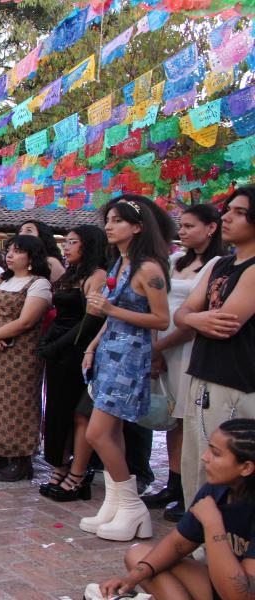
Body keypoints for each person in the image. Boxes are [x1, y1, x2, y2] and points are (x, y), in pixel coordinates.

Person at [79, 195, 171, 542]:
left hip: (131, 358)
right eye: (109, 219)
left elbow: (161, 319)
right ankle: (117, 505)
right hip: (110, 353)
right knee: (110, 432)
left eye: (118, 220)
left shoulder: (149, 268)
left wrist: (110, 311)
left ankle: (132, 507)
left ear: (137, 227)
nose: (109, 225)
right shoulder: (120, 263)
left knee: (96, 433)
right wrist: (93, 344)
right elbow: (109, 312)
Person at [99, 418, 255, 600]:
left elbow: (243, 595)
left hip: (241, 592)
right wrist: (131, 579)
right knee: (138, 555)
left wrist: (213, 525)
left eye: (216, 453)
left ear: (246, 467)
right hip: (224, 583)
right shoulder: (216, 490)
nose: (205, 457)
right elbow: (177, 545)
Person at [145, 204, 227, 521]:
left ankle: (189, 489)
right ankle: (173, 483)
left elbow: (194, 316)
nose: (184, 231)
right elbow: (158, 304)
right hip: (162, 345)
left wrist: (163, 345)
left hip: (188, 346)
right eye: (182, 225)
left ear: (211, 228)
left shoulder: (218, 266)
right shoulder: (174, 260)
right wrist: (155, 346)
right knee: (171, 418)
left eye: (191, 226)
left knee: (187, 419)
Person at [176, 187, 255, 506]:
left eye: (238, 211)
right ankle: (200, 539)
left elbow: (225, 324)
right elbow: (184, 313)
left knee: (226, 472)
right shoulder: (220, 264)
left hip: (234, 380)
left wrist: (193, 318)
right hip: (202, 373)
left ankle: (221, 543)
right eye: (228, 209)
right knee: (197, 463)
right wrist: (195, 319)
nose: (226, 217)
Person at [38, 225, 108, 502]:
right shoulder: (71, 274)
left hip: (78, 350)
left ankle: (78, 473)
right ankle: (60, 465)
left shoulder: (98, 275)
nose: (66, 247)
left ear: (89, 245)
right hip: (57, 348)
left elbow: (90, 321)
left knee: (75, 412)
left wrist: (57, 344)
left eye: (73, 242)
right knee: (56, 410)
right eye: (65, 242)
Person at [0, 235, 53, 480]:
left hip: (21, 355)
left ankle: (21, 460)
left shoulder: (38, 284)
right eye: (8, 250)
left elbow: (26, 321)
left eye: (17, 251)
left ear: (32, 257)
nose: (9, 255)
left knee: (18, 404)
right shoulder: (1, 279)